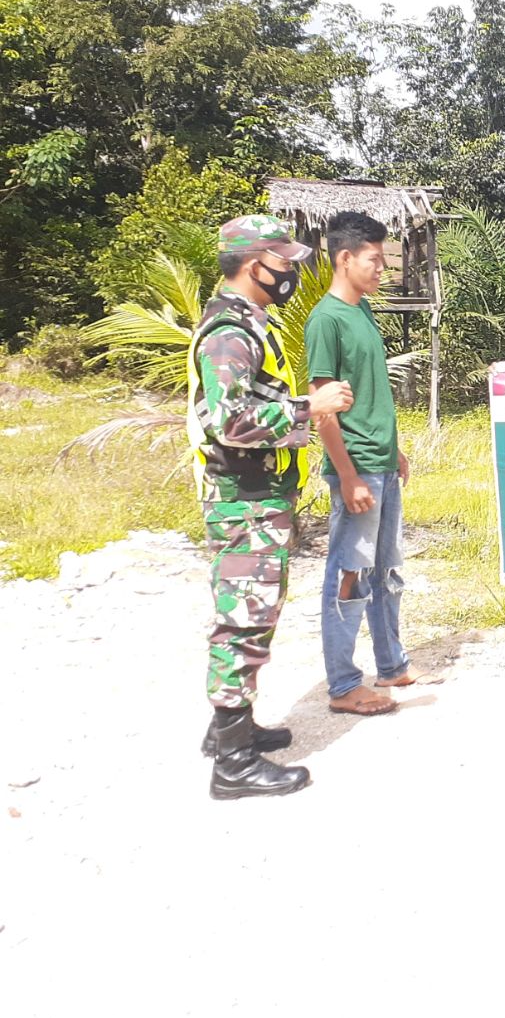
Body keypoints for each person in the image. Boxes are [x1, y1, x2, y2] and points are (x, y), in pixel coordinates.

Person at [188, 215, 353, 800]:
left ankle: (230, 731)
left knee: (254, 612)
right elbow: (228, 421)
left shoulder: (250, 324)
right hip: (243, 501)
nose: (291, 272)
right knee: (243, 620)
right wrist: (311, 407)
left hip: (256, 497)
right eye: (284, 261)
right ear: (254, 264)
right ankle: (233, 764)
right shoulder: (230, 332)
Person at [305, 211, 425, 718]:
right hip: (357, 470)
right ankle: (343, 684)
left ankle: (391, 664)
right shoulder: (326, 320)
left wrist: (393, 450)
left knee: (387, 571)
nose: (382, 268)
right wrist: (349, 474)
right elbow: (323, 407)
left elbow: (371, 392)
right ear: (345, 258)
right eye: (374, 260)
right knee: (349, 576)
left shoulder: (364, 311)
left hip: (382, 464)